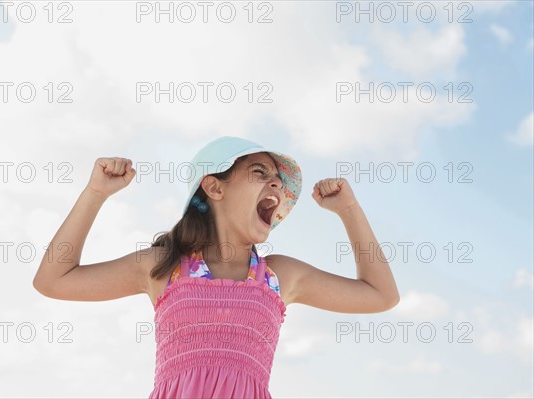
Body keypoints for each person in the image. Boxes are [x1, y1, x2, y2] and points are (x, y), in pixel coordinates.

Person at [33, 136, 400, 399]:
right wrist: (95, 193)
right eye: (259, 172)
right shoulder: (164, 268)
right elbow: (54, 279)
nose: (275, 182)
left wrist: (349, 211)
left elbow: (380, 295)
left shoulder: (278, 277)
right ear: (214, 187)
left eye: (277, 180)